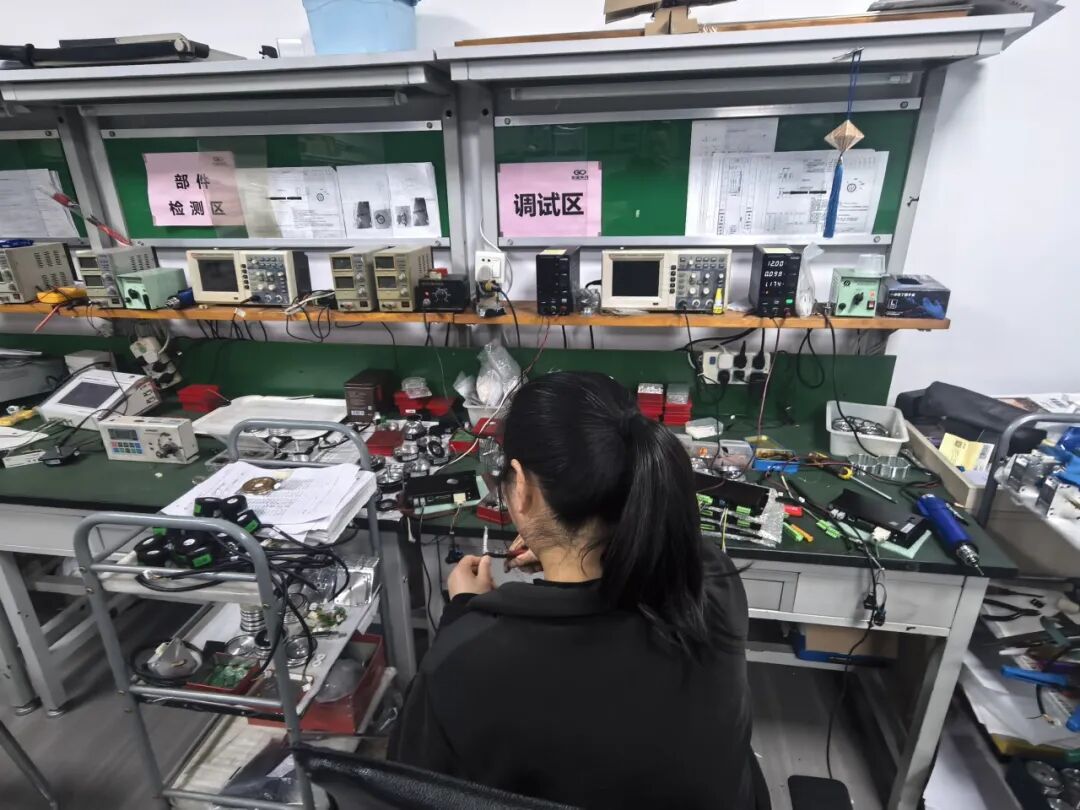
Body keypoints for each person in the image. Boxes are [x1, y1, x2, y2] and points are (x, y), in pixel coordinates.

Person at [389, 371, 753, 809]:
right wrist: (563, 550)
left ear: (521, 488)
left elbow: (410, 790)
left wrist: (463, 607)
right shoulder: (712, 580)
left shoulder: (464, 661)